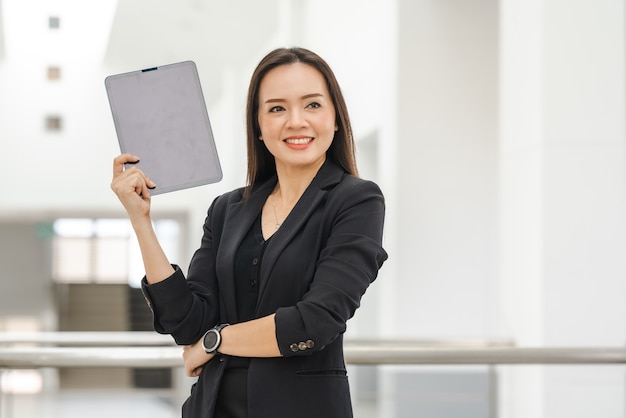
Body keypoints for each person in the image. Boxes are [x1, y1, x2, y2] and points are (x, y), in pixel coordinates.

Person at [111, 47, 388, 418]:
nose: (296, 121)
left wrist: (215, 341)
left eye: (312, 105)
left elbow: (316, 321)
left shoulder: (356, 201)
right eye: (276, 108)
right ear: (258, 126)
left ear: (336, 118)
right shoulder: (227, 209)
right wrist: (141, 220)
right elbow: (188, 321)